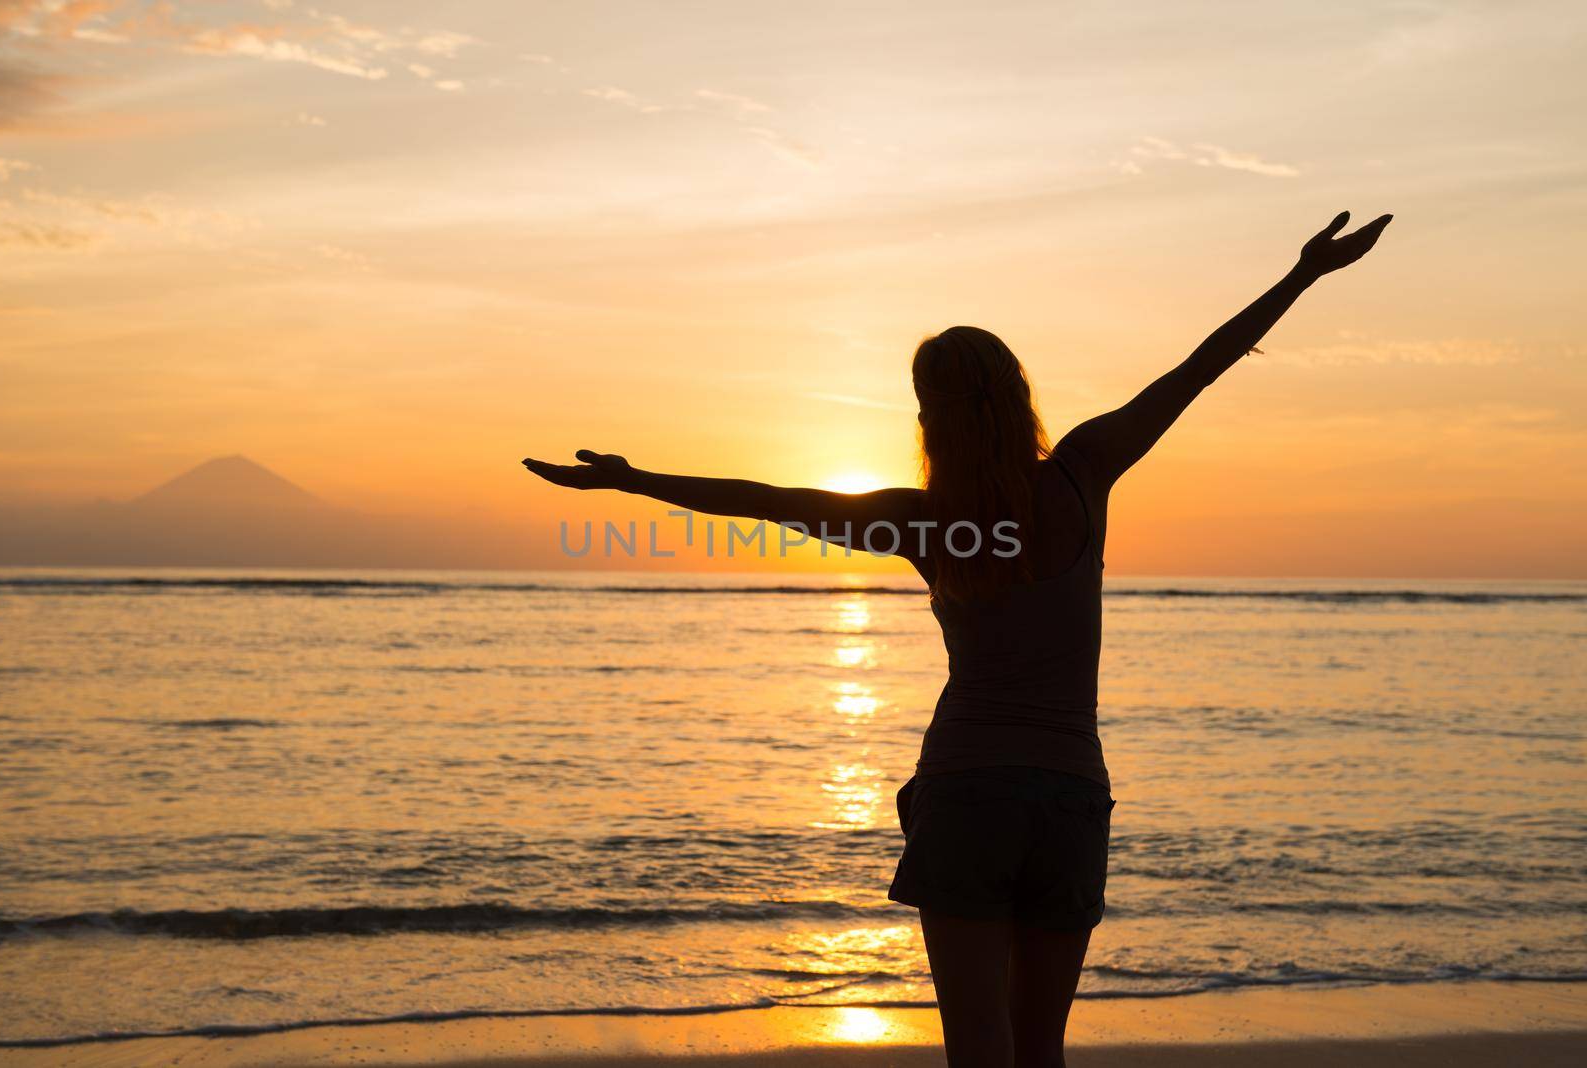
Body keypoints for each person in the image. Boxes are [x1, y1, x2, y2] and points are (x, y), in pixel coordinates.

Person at [522, 210, 1392, 1067]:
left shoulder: (925, 522)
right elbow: (1196, 371)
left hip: (968, 788)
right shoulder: (1085, 472)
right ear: (1017, 394)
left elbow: (760, 498)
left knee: (979, 1049)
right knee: (1038, 1051)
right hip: (1070, 796)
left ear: (928, 414)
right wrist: (1304, 274)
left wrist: (633, 485)